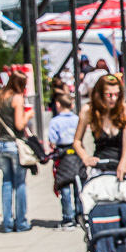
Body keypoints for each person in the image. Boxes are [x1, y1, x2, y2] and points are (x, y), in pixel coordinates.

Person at [74, 74, 126, 190]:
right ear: (99, 94)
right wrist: (85, 158)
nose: (114, 98)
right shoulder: (88, 111)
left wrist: (124, 162)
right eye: (109, 95)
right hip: (100, 165)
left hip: (124, 164)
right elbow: (77, 141)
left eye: (117, 94)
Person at [0, 71, 33, 232]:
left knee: (6, 183)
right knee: (20, 183)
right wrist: (28, 115)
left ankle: (7, 222)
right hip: (14, 145)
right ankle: (21, 221)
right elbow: (19, 125)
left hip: (0, 144)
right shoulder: (17, 98)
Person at [45, 93, 81, 228]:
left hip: (62, 154)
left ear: (58, 105)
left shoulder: (55, 121)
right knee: (78, 185)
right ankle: (80, 215)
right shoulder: (77, 119)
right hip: (76, 152)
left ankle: (68, 217)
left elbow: (52, 141)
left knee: (64, 186)